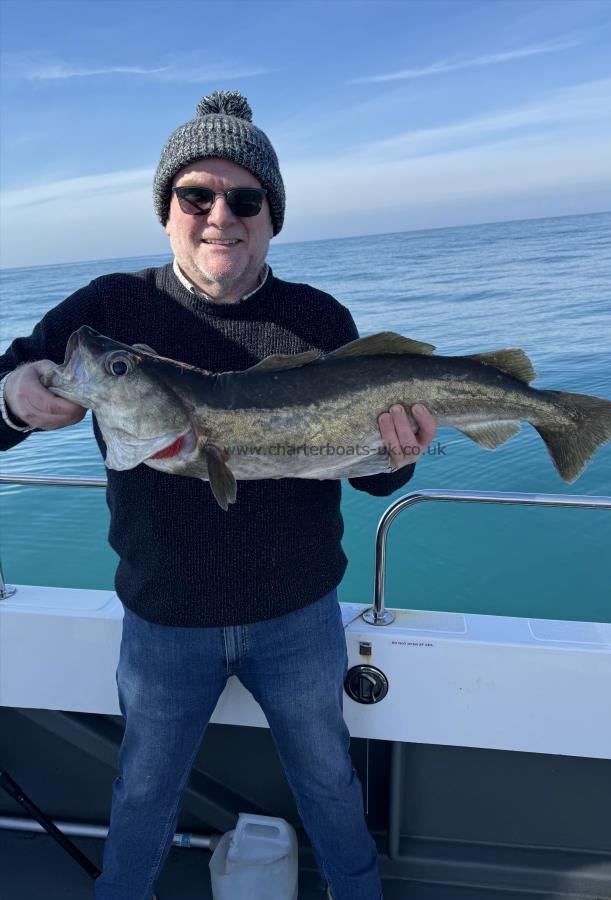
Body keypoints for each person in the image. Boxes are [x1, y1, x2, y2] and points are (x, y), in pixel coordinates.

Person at [0, 90, 437, 900]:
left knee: (331, 787)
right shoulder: (105, 313)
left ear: (272, 216)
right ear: (165, 210)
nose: (218, 217)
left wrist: (400, 452)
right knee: (139, 796)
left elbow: (374, 474)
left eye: (244, 199)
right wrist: (13, 401)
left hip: (298, 614)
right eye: (194, 196)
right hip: (163, 619)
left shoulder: (316, 317)